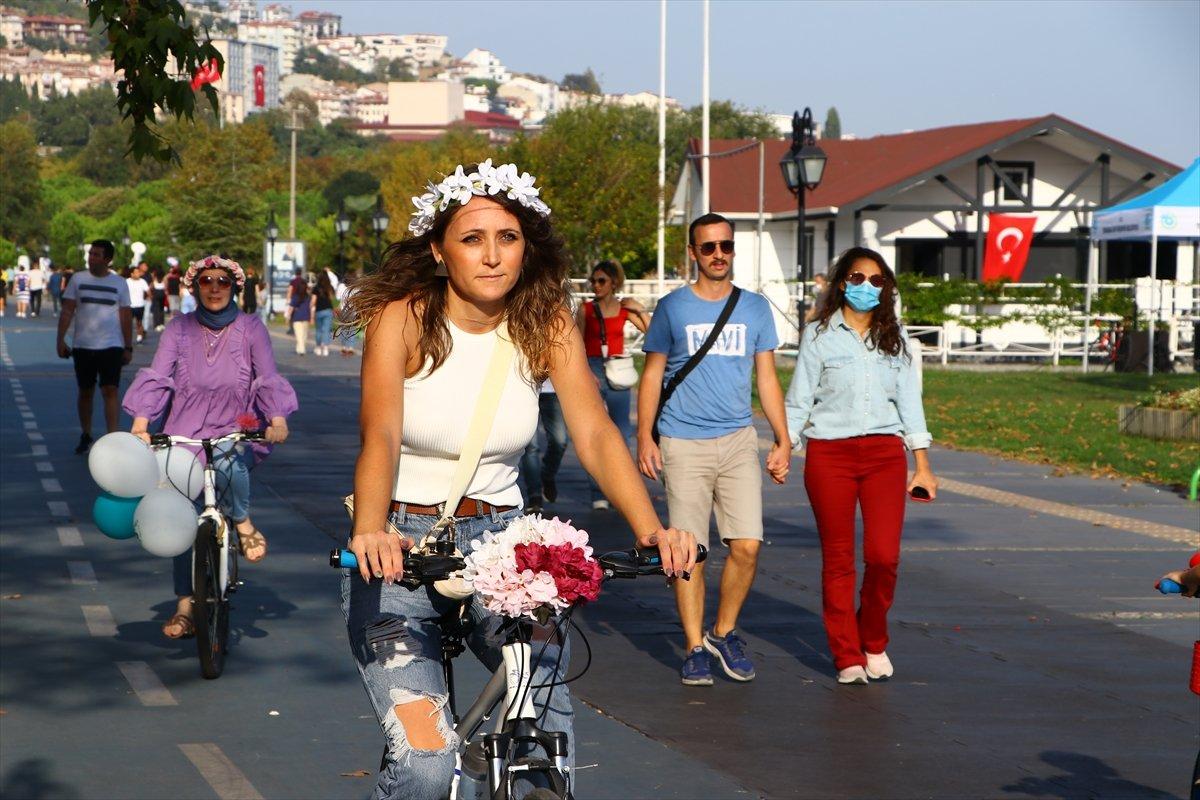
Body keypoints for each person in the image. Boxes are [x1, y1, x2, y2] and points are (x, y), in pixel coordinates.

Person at [341, 160, 697, 800]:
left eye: (507, 237)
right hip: (401, 547)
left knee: (542, 728)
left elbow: (595, 432)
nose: (491, 256)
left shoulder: (545, 322)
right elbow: (382, 435)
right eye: (472, 239)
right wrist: (371, 531)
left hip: (504, 549)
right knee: (426, 762)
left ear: (526, 247)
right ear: (439, 250)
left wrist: (653, 530)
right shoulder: (403, 319)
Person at [637, 212, 791, 687]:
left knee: (747, 544)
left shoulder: (755, 308)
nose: (718, 254)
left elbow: (767, 377)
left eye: (725, 245)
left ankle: (723, 633)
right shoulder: (672, 308)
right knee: (690, 553)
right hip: (683, 441)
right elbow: (653, 375)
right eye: (708, 247)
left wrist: (783, 437)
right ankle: (693, 647)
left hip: (739, 439)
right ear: (693, 253)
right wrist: (644, 437)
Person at [785, 246, 938, 685]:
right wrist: (783, 447)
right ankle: (846, 653)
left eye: (876, 280)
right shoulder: (818, 336)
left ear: (886, 288)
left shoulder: (897, 338)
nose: (866, 287)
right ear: (841, 284)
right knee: (838, 560)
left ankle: (873, 639)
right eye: (856, 278)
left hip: (884, 456)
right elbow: (799, 400)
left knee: (883, 557)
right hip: (828, 455)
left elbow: (910, 403)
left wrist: (922, 465)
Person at [123, 255, 297, 639]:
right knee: (180, 517)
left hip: (234, 426)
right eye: (206, 281)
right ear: (194, 286)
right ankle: (185, 605)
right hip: (183, 429)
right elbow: (159, 374)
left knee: (230, 463)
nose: (214, 288)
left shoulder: (251, 328)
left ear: (234, 287)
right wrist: (140, 425)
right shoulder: (179, 328)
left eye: (222, 281)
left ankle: (242, 522)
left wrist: (278, 420)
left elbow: (267, 375)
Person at [575, 259, 649, 510]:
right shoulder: (585, 309)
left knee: (622, 432)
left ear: (614, 283)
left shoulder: (625, 308)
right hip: (593, 369)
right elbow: (577, 343)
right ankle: (598, 492)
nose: (596, 285)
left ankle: (623, 491)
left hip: (617, 370)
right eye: (593, 281)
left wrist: (640, 309)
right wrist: (585, 372)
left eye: (601, 281)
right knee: (593, 433)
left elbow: (654, 333)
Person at [57, 240, 133, 454]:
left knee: (110, 390)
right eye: (90, 253)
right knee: (85, 391)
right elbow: (67, 311)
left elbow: (125, 315)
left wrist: (128, 347)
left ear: (108, 259)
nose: (91, 258)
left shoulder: (119, 283)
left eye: (96, 254)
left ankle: (112, 437)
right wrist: (60, 340)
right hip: (83, 345)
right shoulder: (77, 279)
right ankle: (86, 433)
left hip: (111, 345)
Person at [519, 380, 568, 515]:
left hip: (552, 390)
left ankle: (547, 475)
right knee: (530, 447)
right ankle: (534, 496)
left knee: (560, 441)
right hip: (525, 389)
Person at [286, 268, 311, 355]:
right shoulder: (308, 296)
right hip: (306, 317)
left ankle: (301, 348)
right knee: (304, 334)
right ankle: (301, 348)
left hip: (297, 317)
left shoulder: (293, 284)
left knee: (299, 334)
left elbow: (291, 306)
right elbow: (310, 306)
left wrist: (288, 316)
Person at [311, 270, 335, 356]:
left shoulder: (316, 288)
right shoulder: (330, 287)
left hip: (319, 310)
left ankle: (318, 347)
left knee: (319, 330)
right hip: (328, 310)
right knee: (326, 330)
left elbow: (313, 301)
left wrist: (311, 310)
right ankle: (325, 348)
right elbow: (332, 298)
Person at [125, 266, 150, 344]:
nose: (138, 274)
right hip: (130, 305)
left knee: (139, 322)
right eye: (136, 272)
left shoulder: (142, 281)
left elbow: (148, 291)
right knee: (128, 323)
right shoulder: (127, 281)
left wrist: (149, 297)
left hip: (140, 305)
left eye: (138, 272)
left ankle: (139, 337)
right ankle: (127, 338)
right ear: (132, 274)